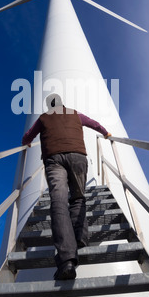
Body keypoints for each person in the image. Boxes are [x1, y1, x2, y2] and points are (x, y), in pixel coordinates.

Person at [22, 94, 111, 280]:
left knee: (59, 202)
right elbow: (93, 123)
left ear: (49, 105)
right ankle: (80, 237)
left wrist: (26, 143)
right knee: (78, 197)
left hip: (54, 159)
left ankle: (67, 260)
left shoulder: (44, 117)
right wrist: (105, 133)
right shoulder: (75, 114)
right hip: (78, 156)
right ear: (63, 103)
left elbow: (29, 134)